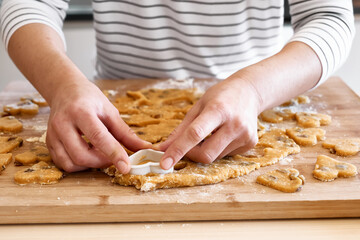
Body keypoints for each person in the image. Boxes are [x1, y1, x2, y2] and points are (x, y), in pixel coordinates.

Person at [0, 1, 355, 174]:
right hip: (108, 107)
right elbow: (28, 5)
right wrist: (62, 86)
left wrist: (254, 89)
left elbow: (330, 17)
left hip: (264, 98)